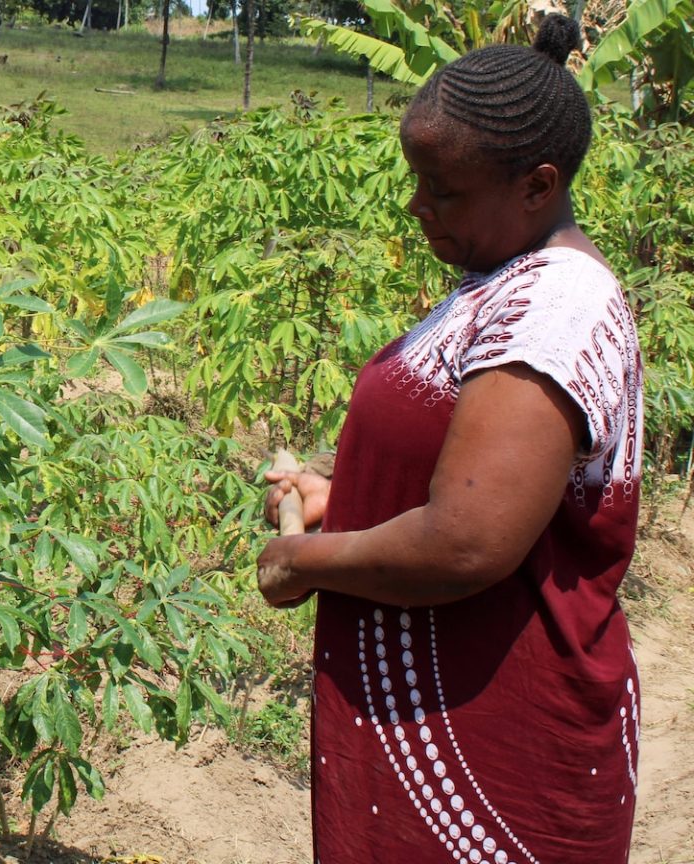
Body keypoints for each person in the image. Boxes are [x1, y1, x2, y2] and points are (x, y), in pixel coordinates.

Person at [257, 14, 643, 864]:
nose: (416, 206)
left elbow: (466, 543)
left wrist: (297, 564)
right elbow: (469, 468)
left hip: (496, 735)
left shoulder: (555, 307)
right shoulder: (500, 277)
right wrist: (345, 499)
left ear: (538, 185)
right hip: (439, 715)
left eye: (444, 189)